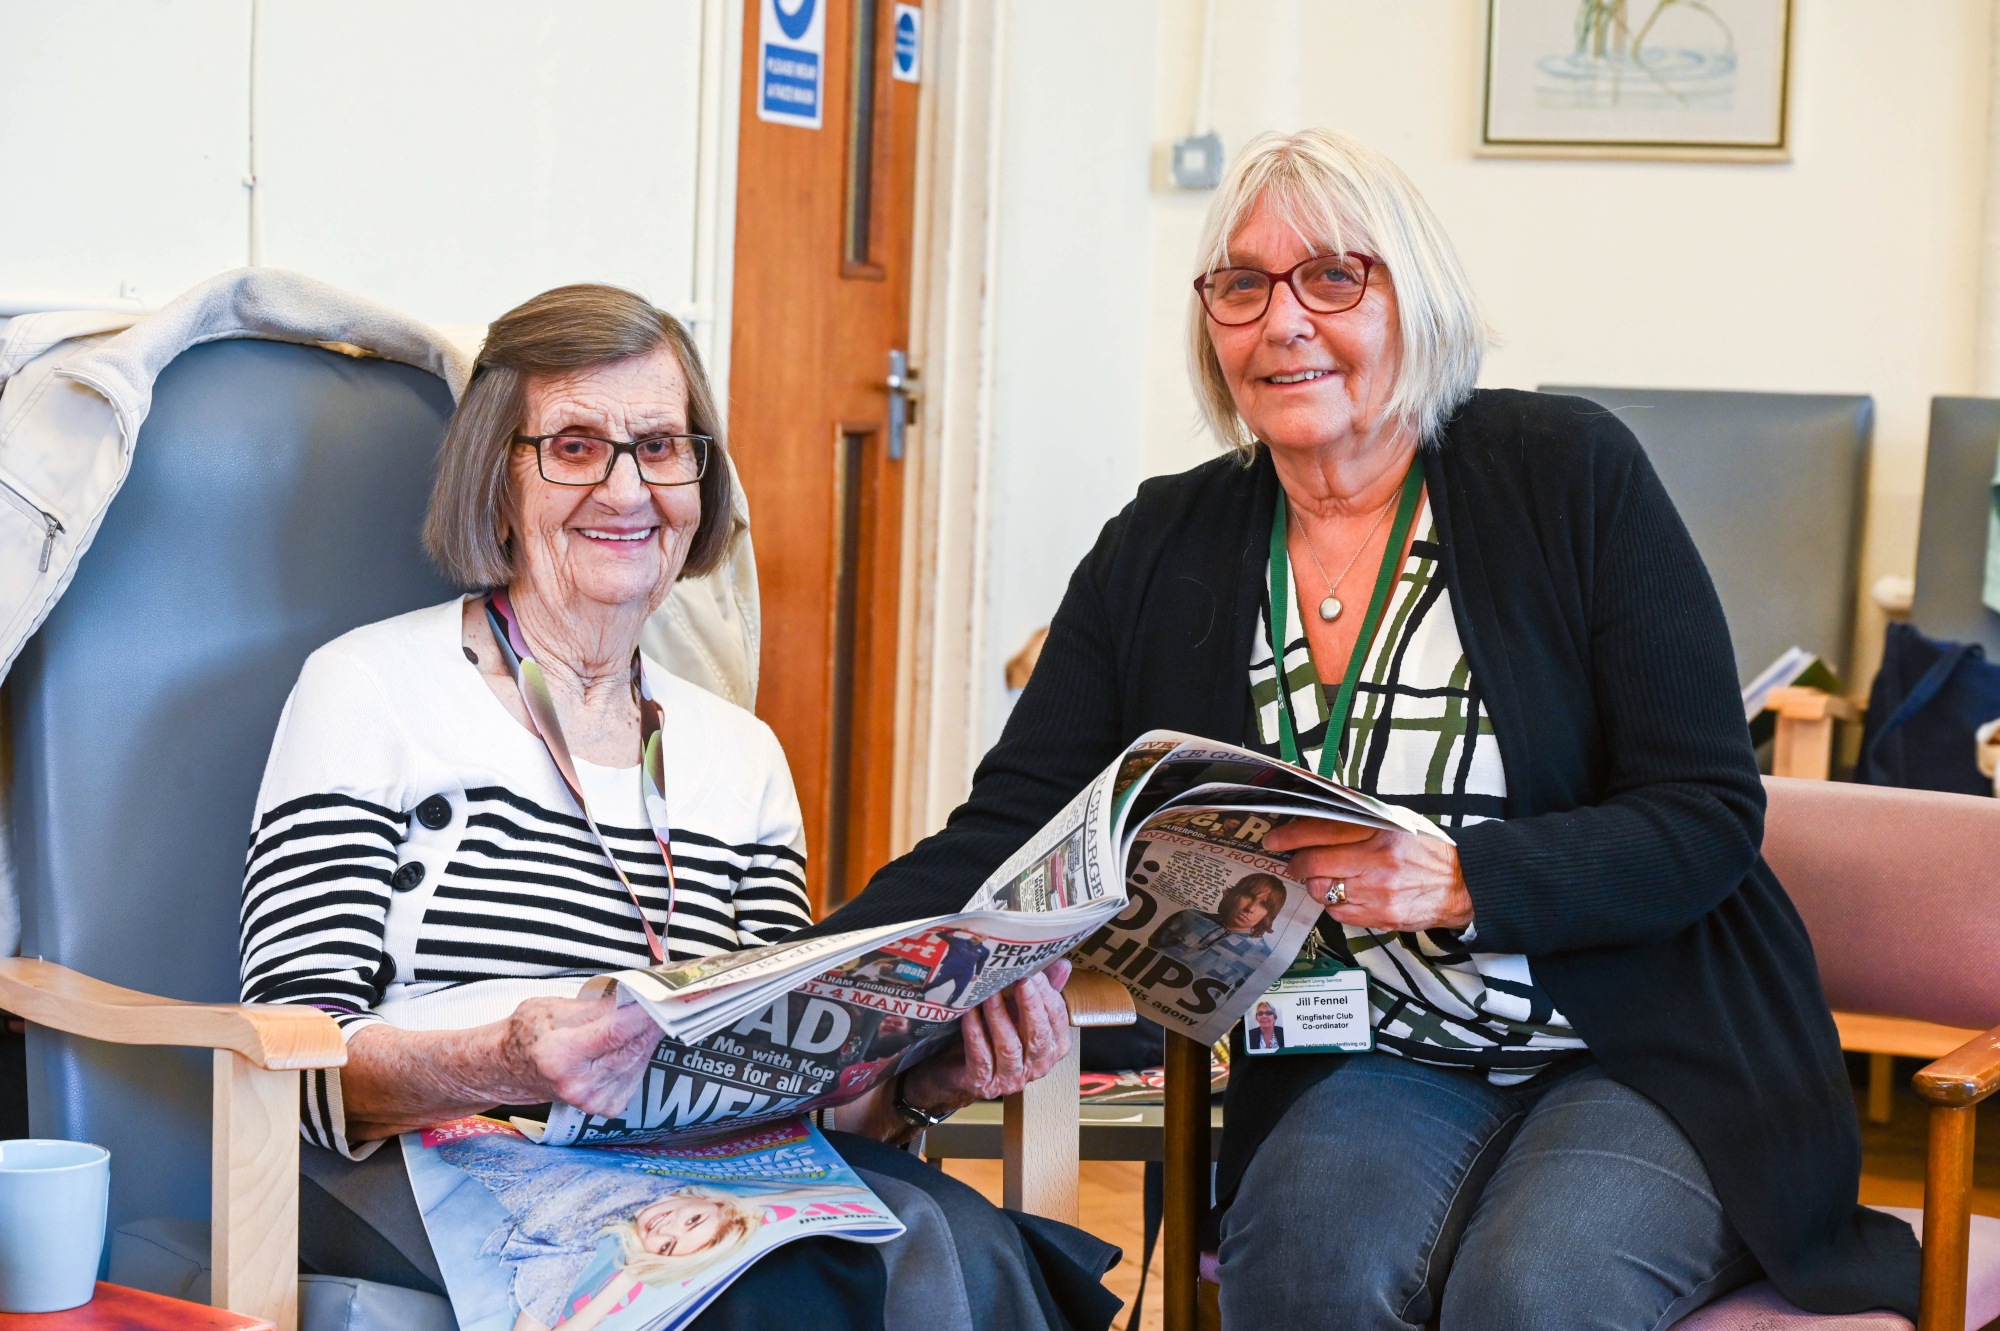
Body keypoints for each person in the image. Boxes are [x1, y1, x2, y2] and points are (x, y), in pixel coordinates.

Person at [798, 129, 1919, 1327]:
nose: (1281, 320)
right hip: (1362, 1051)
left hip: (1634, 1043)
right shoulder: (1163, 539)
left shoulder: (1566, 473)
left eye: (1332, 276)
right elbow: (1013, 824)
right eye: (1240, 284)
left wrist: (1460, 877)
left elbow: (1704, 811)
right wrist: (788, 986)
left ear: (1413, 299)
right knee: (1306, 1274)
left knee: (1533, 1288)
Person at [238, 284, 1119, 1331]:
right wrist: (504, 1056)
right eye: (573, 445)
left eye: (660, 445)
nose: (626, 489)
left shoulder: (738, 756)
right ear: (496, 473)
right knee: (789, 1284)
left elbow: (782, 1078)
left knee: (971, 1243)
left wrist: (925, 1079)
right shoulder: (366, 688)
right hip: (428, 1157)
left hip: (698, 1166)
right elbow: (290, 1052)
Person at [1146, 874, 1286, 990]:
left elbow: (1237, 1003)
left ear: (1269, 914)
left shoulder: (1262, 955)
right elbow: (1149, 950)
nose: (1250, 908)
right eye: (1249, 896)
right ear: (1234, 894)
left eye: (1264, 904)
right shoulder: (1187, 916)